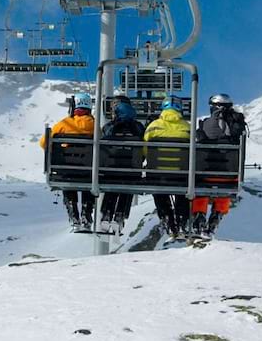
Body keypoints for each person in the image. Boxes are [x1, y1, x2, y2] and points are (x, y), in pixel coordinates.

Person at [192, 93, 247, 235]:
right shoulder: (237, 126)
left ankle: (199, 216)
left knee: (201, 189)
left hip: (205, 175)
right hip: (230, 176)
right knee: (224, 191)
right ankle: (217, 216)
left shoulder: (205, 125)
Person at [39, 92, 95, 229]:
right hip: (88, 171)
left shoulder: (64, 123)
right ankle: (86, 213)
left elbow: (43, 143)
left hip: (66, 169)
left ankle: (73, 214)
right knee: (89, 181)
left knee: (68, 177)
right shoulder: (94, 125)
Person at [143, 94, 191, 237]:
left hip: (157, 175)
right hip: (181, 175)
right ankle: (182, 221)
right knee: (183, 192)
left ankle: (167, 219)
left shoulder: (153, 127)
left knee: (158, 191)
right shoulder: (187, 128)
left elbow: (145, 149)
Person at [99, 96, 145, 233]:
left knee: (112, 185)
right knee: (127, 185)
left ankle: (106, 213)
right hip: (132, 171)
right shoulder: (138, 127)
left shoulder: (109, 127)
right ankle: (120, 215)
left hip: (110, 171)